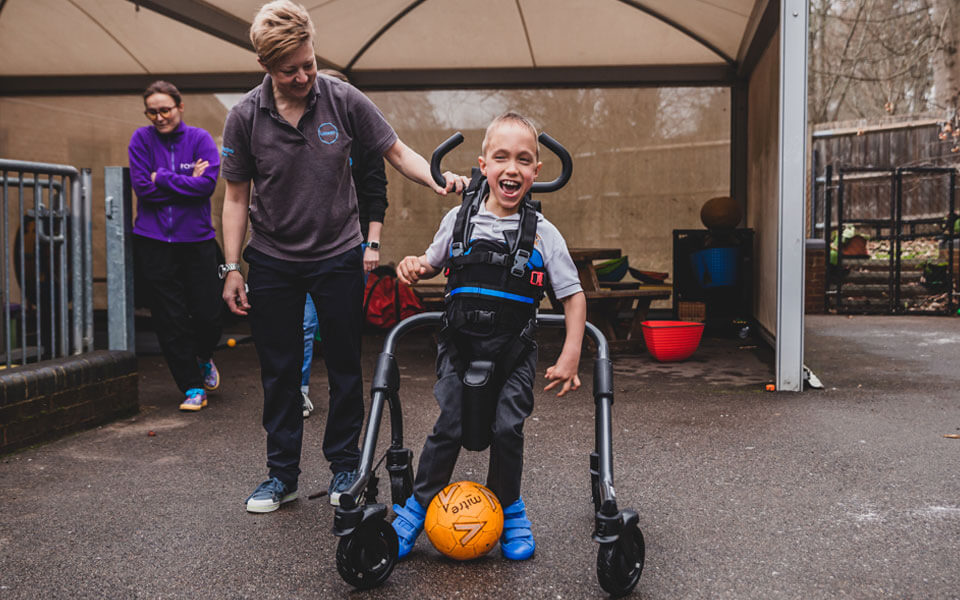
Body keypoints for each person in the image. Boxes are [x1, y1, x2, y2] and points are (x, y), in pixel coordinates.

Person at [219, 0, 467, 513]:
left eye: (309, 63)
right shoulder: (244, 117)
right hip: (271, 259)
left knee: (345, 368)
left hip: (337, 256)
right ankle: (281, 474)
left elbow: (396, 151)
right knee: (280, 371)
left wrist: (437, 178)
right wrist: (232, 268)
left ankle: (344, 467)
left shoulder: (342, 98)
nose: (304, 75)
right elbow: (235, 197)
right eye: (291, 70)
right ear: (267, 67)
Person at [391, 113, 587, 560]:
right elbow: (427, 263)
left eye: (523, 159)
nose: (511, 168)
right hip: (458, 349)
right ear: (483, 166)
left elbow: (573, 297)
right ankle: (418, 506)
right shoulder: (458, 220)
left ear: (537, 172)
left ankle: (509, 506)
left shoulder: (544, 235)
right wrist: (412, 266)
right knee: (450, 426)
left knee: (507, 428)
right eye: (501, 158)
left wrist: (572, 353)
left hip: (514, 353)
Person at [128, 80, 223, 412]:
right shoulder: (140, 140)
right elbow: (142, 188)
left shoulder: (199, 139)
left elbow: (206, 186)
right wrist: (186, 182)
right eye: (152, 111)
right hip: (153, 241)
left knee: (210, 312)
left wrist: (162, 177)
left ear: (180, 107)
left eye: (164, 109)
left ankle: (203, 356)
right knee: (169, 318)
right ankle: (192, 387)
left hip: (196, 240)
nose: (158, 117)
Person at [300, 69, 390, 418]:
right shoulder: (303, 134)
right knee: (304, 323)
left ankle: (346, 403)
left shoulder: (366, 139)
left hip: (352, 246)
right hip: (306, 249)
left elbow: (376, 195)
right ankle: (300, 391)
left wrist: (373, 245)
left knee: (339, 328)